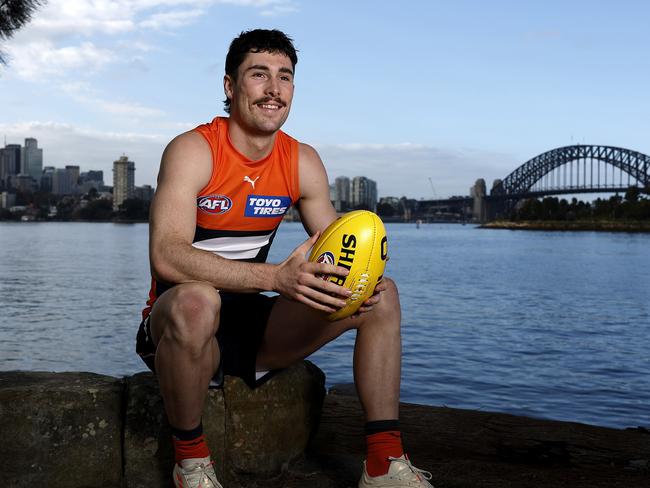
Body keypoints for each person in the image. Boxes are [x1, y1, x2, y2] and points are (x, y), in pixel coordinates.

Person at [136, 28, 433, 488]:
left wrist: (364, 269)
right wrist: (276, 275)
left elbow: (337, 253)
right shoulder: (193, 150)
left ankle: (383, 464)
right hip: (182, 317)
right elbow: (167, 257)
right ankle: (191, 465)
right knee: (197, 302)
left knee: (381, 297)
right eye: (259, 75)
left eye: (285, 77)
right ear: (230, 86)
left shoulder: (301, 160)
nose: (274, 89)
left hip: (256, 325)